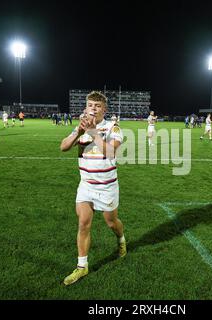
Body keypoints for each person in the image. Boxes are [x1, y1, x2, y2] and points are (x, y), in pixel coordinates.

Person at [60, 91, 126, 286]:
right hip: (86, 185)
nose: (93, 109)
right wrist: (78, 134)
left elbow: (111, 152)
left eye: (97, 106)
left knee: (111, 223)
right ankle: (82, 267)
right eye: (90, 105)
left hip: (107, 187)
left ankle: (121, 240)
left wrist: (92, 133)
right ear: (86, 108)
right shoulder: (80, 128)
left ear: (104, 109)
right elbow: (63, 147)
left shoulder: (113, 128)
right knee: (83, 223)